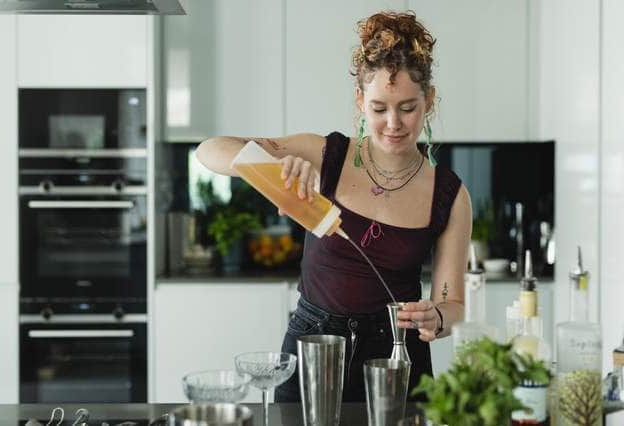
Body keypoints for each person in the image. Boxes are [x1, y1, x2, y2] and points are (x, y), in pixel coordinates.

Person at [195, 10, 471, 402]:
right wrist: (273, 169)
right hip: (312, 347)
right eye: (379, 108)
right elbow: (209, 151)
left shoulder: (451, 195)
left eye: (408, 107)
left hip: (396, 358)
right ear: (360, 100)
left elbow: (453, 303)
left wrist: (438, 317)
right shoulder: (325, 155)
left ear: (428, 100)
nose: (393, 122)